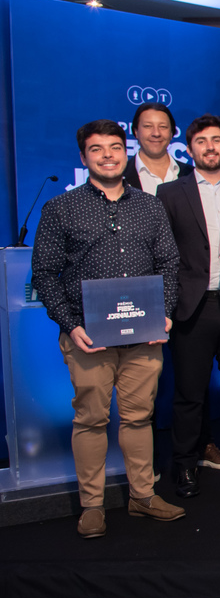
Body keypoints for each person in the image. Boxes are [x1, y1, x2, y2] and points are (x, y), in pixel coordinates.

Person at [31, 119, 185, 538]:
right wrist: (70, 325)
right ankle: (92, 506)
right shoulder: (61, 208)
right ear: (83, 157)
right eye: (96, 149)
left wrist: (164, 312)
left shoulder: (150, 206)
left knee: (139, 418)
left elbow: (169, 263)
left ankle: (143, 496)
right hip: (88, 337)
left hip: (143, 335)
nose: (107, 156)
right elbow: (44, 273)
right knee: (91, 420)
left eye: (115, 147)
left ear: (125, 151)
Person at [156, 114, 220, 497]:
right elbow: (162, 254)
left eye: (216, 140)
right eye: (201, 141)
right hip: (192, 307)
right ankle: (184, 464)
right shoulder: (169, 193)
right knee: (189, 394)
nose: (210, 147)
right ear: (189, 149)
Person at [124, 101, 193, 193]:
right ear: (136, 132)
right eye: (148, 126)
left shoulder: (192, 174)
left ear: (171, 133)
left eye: (163, 127)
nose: (156, 133)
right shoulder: (121, 175)